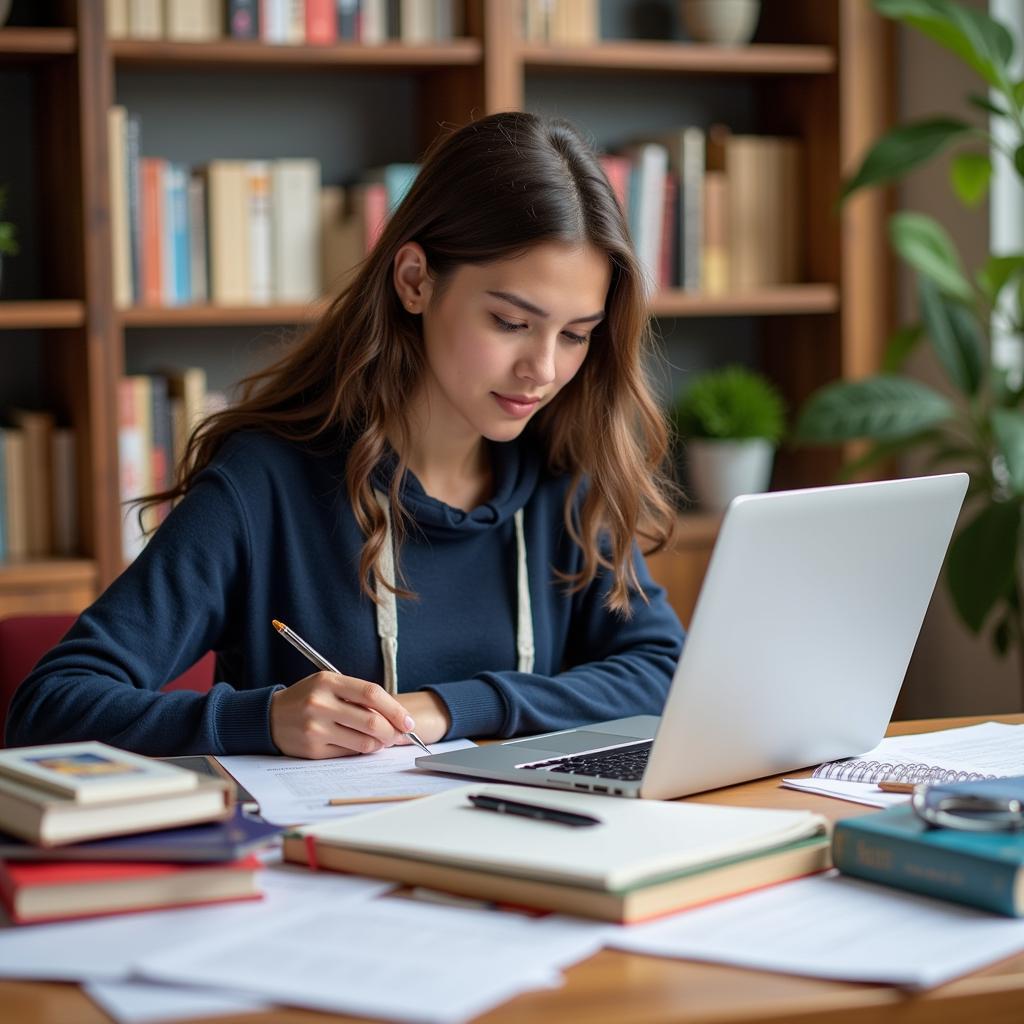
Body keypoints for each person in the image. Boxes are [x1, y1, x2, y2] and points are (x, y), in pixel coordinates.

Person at [6, 111, 685, 759]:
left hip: (542, 852)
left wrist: (450, 708)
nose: (543, 370)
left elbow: (666, 672)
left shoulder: (567, 473)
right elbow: (49, 708)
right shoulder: (265, 482)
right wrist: (263, 718)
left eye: (575, 336)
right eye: (511, 322)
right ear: (416, 280)